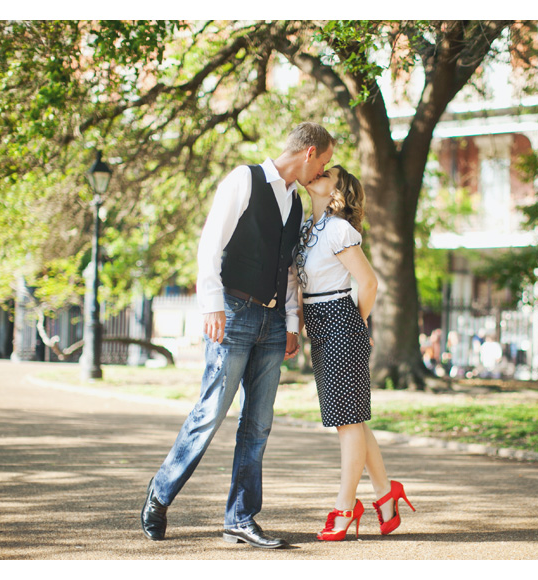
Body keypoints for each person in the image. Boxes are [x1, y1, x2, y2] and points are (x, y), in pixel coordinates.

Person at [140, 122, 335, 549]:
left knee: (258, 425)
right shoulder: (243, 179)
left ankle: (240, 519)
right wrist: (210, 304)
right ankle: (160, 492)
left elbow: (287, 270)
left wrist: (289, 324)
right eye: (323, 162)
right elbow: (210, 243)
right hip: (232, 311)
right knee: (211, 412)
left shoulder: (297, 202)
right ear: (309, 152)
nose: (322, 172)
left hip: (270, 325)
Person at [295, 165, 415, 542]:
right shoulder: (307, 232)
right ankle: (385, 492)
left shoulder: (339, 229)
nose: (316, 173)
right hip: (320, 322)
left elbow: (368, 281)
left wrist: (356, 323)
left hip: (340, 319)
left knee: (346, 422)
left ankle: (345, 506)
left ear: (338, 191)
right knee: (353, 419)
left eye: (326, 173)